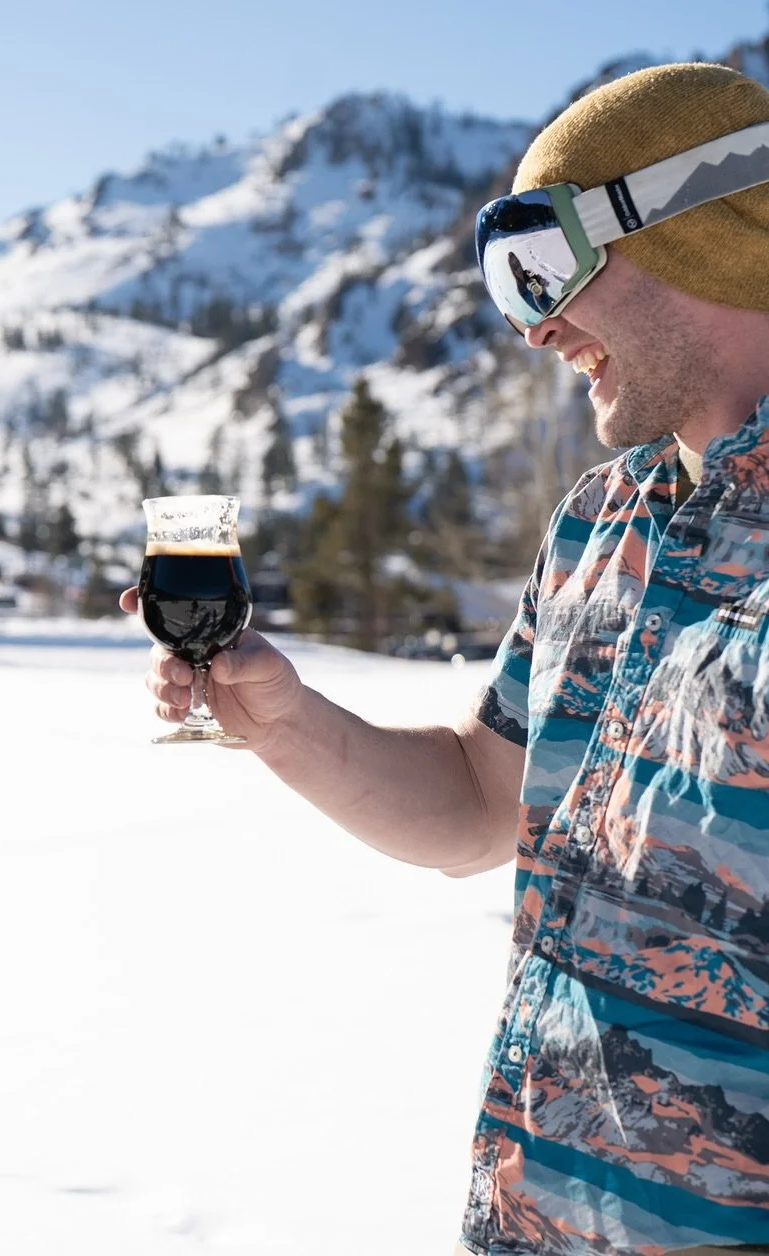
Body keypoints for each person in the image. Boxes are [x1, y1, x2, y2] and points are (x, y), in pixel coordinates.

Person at [125, 64, 769, 1256]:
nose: (535, 327)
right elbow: (481, 801)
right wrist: (284, 721)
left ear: (698, 223)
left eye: (547, 264)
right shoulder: (599, 524)